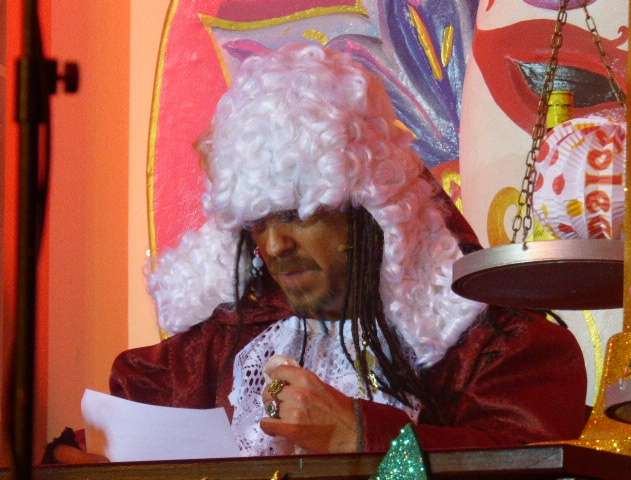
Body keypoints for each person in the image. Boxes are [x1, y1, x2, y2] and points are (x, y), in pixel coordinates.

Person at [51, 43, 587, 460]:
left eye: (298, 214)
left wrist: (360, 435)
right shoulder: (216, 351)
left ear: (370, 211)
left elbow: (528, 461)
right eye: (258, 223)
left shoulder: (492, 349)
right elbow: (102, 437)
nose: (274, 246)